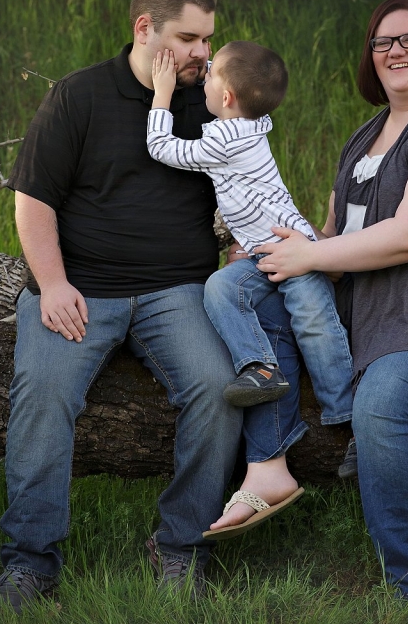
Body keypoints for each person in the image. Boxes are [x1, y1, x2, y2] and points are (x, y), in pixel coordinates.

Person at [0, 0, 308, 610]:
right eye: (189, 38)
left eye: (208, 40)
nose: (203, 54)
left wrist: (253, 246)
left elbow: (250, 188)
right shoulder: (79, 96)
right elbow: (32, 202)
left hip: (178, 291)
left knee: (222, 391)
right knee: (43, 395)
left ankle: (182, 546)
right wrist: (51, 285)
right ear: (145, 29)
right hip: (81, 288)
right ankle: (31, 563)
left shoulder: (215, 103)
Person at [249, 0, 408, 600]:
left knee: (382, 407)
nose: (396, 52)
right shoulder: (364, 138)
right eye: (383, 43)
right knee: (241, 296)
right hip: (369, 313)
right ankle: (266, 470)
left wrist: (312, 256)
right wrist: (293, 250)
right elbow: (341, 237)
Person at [147, 40, 354, 434]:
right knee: (222, 288)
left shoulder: (224, 141)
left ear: (225, 96)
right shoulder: (252, 120)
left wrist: (162, 93)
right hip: (262, 253)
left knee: (316, 324)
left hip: (293, 251)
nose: (202, 74)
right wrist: (205, 63)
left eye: (208, 74)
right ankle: (261, 367)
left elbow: (161, 148)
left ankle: (347, 416)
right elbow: (236, 75)